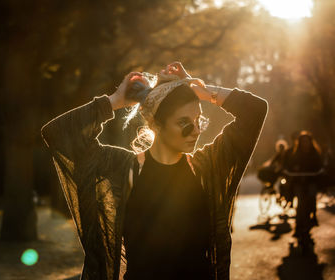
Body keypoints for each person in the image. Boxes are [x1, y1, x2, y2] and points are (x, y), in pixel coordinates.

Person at [41, 62, 268, 280]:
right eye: (184, 122)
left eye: (199, 120)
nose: (196, 130)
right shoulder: (125, 170)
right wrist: (115, 101)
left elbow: (255, 110)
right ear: (156, 125)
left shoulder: (206, 168)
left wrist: (200, 90)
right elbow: (60, 134)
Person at [282, 131, 324, 241]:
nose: (305, 144)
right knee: (300, 202)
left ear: (311, 142)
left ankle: (313, 216)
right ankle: (298, 225)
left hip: (311, 181)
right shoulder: (295, 154)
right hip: (298, 182)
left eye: (307, 141)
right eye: (303, 142)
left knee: (312, 195)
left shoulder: (315, 154)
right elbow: (288, 166)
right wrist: (290, 170)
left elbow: (320, 166)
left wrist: (320, 171)